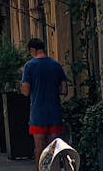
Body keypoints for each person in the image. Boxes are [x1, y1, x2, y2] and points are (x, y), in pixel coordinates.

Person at [21, 38, 68, 169]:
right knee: (54, 150)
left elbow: (25, 91)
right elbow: (64, 90)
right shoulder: (56, 65)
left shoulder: (29, 66)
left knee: (40, 151)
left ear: (32, 50)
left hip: (37, 114)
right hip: (54, 113)